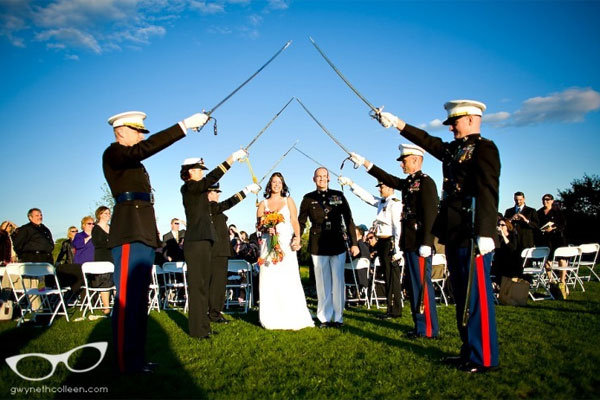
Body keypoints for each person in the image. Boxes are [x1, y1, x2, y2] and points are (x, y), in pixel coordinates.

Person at [372, 99, 500, 373]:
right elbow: (429, 141)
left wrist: (486, 231)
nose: (451, 127)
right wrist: (397, 123)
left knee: (476, 297)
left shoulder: (484, 149)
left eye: (455, 121)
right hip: (454, 232)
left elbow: (489, 189)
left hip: (473, 231)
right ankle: (469, 351)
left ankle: (485, 357)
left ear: (471, 120)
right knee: (463, 298)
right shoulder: (455, 150)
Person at [103, 109, 209, 374]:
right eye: (137, 131)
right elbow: (142, 151)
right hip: (128, 232)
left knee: (138, 301)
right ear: (121, 132)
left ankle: (136, 358)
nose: (141, 136)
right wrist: (183, 126)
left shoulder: (133, 161)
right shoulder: (114, 153)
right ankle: (124, 361)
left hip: (142, 233)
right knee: (127, 301)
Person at [347, 143, 441, 338]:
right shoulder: (409, 183)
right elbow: (388, 178)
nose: (401, 165)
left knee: (422, 287)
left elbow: (431, 214)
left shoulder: (426, 182)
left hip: (420, 244)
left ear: (416, 159)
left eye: (404, 161)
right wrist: (365, 163)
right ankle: (420, 326)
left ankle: (429, 329)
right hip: (409, 244)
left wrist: (426, 242)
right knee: (413, 287)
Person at [181, 152, 247, 340]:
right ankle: (197, 330)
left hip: (203, 242)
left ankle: (203, 327)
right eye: (199, 170)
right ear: (190, 172)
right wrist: (231, 159)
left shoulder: (199, 191)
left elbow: (219, 204)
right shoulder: (189, 188)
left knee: (202, 288)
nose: (202, 173)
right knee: (198, 288)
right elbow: (211, 178)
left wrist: (244, 192)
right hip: (196, 243)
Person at [298, 167, 359, 328]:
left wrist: (354, 243)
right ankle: (324, 317)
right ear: (314, 179)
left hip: (337, 241)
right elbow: (301, 221)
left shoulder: (338, 195)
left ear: (329, 178)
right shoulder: (308, 198)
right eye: (319, 176)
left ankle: (338, 317)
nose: (322, 179)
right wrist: (297, 237)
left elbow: (348, 219)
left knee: (338, 282)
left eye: (324, 176)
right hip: (318, 244)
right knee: (322, 283)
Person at [338, 176, 403, 320]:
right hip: (383, 242)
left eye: (382, 186)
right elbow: (366, 197)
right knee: (387, 276)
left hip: (390, 242)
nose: (380, 189)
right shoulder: (382, 202)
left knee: (392, 277)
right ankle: (391, 309)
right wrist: (351, 183)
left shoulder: (395, 204)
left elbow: (398, 228)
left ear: (391, 188)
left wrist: (398, 250)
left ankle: (395, 310)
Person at [257, 172, 314, 330]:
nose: (276, 184)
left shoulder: (289, 201)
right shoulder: (263, 204)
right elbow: (259, 226)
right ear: (270, 185)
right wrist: (266, 228)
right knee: (269, 279)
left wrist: (297, 237)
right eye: (274, 182)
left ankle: (291, 314)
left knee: (288, 278)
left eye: (279, 182)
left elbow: (295, 221)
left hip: (286, 245)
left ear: (283, 185)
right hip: (269, 245)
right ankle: (270, 316)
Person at [207, 182, 260, 324]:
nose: (218, 195)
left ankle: (215, 312)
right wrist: (246, 190)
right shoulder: (210, 207)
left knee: (219, 285)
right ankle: (214, 314)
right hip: (216, 252)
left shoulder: (212, 208)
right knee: (216, 285)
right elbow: (229, 203)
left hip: (221, 252)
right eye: (216, 192)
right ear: (209, 193)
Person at [536, 194, 568, 292]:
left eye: (547, 200)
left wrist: (553, 228)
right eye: (543, 200)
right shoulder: (539, 212)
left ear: (552, 200)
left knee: (561, 259)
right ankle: (551, 281)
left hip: (557, 238)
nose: (545, 201)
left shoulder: (557, 211)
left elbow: (563, 224)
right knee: (547, 260)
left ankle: (562, 281)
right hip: (545, 239)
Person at [92, 206, 115, 315]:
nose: (108, 215)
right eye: (105, 213)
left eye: (109, 213)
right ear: (100, 215)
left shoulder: (112, 227)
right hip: (102, 257)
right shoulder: (96, 229)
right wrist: (109, 242)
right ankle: (106, 307)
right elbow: (98, 243)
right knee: (105, 281)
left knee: (115, 281)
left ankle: (117, 304)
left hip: (113, 256)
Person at [493, 217, 520, 281]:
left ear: (507, 226)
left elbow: (512, 248)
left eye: (502, 225)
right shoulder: (498, 238)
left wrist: (503, 234)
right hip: (499, 261)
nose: (500, 226)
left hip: (511, 260)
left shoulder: (512, 235)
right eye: (499, 225)